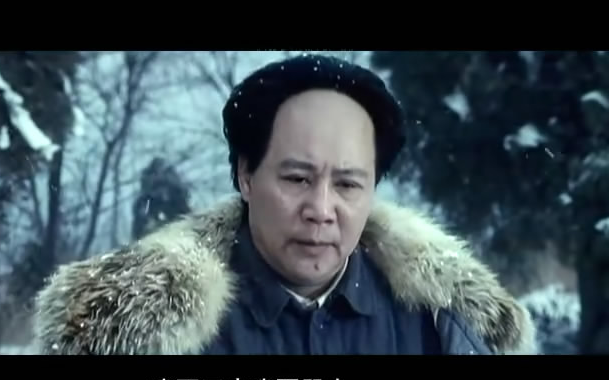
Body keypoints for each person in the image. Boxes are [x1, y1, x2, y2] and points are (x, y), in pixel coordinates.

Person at [33, 54, 537, 355]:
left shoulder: (440, 324)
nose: (321, 209)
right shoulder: (154, 329)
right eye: (297, 178)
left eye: (348, 185)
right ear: (246, 175)